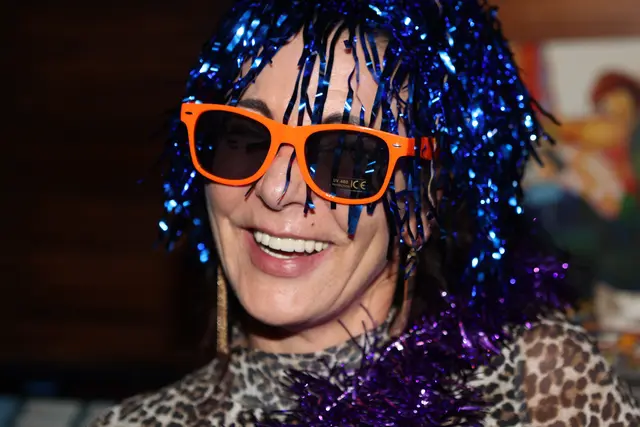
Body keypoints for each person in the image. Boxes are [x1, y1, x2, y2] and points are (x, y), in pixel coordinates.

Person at [91, 0, 640, 425]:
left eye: (345, 156)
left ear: (424, 204)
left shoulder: (539, 383)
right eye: (245, 138)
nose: (276, 189)